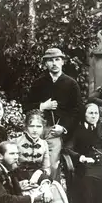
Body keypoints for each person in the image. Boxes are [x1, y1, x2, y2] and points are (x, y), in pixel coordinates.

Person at [11, 110, 82, 203]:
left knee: (56, 188)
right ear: (26, 127)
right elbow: (11, 167)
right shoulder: (15, 142)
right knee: (41, 192)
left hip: (39, 178)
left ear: (43, 128)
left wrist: (42, 180)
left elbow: (47, 169)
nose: (35, 130)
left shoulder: (43, 144)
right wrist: (20, 182)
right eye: (32, 126)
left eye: (39, 126)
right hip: (20, 180)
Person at [24, 48, 84, 181]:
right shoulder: (38, 83)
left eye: (57, 59)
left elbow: (78, 110)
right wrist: (42, 106)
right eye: (50, 60)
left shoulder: (71, 84)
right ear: (46, 64)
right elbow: (26, 106)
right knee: (29, 162)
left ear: (63, 62)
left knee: (52, 165)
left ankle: (52, 192)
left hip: (58, 132)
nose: (54, 63)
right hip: (37, 130)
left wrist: (63, 127)